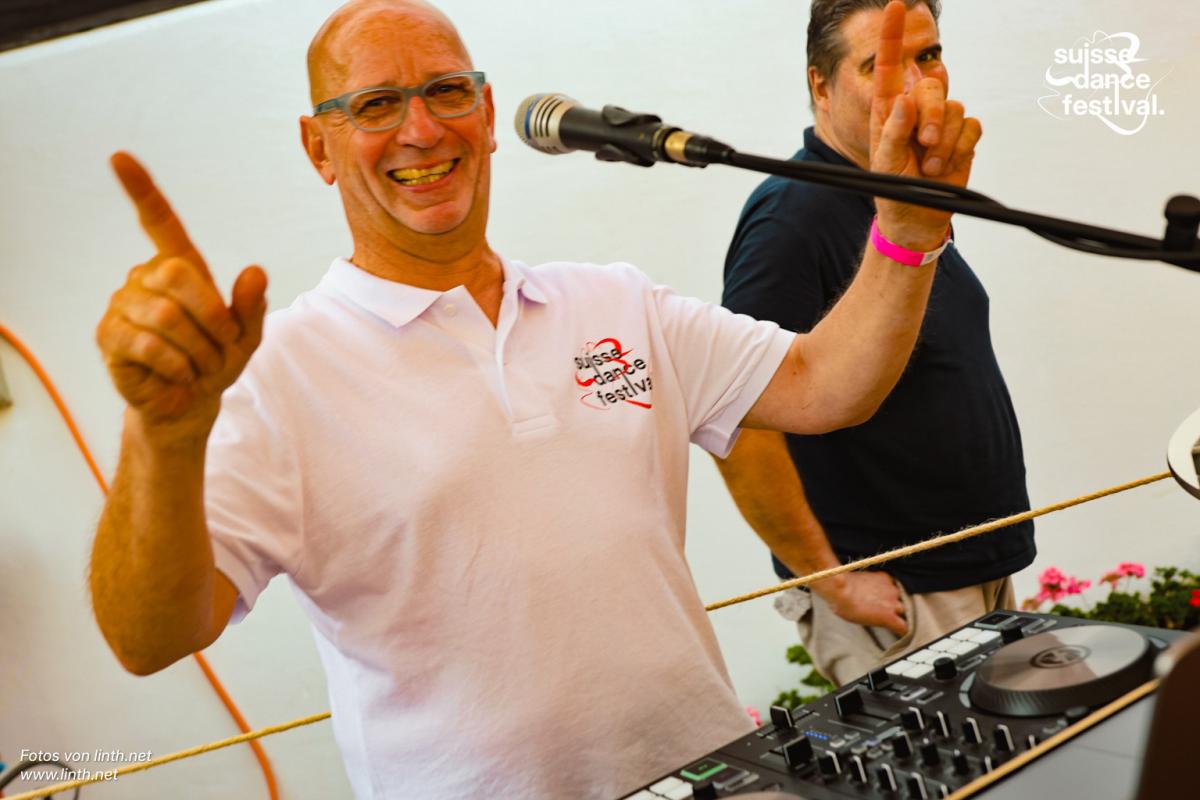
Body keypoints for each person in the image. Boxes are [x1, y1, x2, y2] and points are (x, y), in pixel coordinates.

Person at [88, 0, 981, 797]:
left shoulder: (613, 302)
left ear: (486, 116)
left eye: (446, 92)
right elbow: (149, 638)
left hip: (707, 776)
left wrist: (907, 230)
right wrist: (162, 434)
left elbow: (827, 386)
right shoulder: (277, 370)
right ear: (318, 146)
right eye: (375, 105)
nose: (420, 130)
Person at [716, 0, 1035, 688]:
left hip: (969, 575)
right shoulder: (793, 216)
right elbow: (736, 421)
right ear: (821, 85)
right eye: (879, 64)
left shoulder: (900, 197)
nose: (914, 83)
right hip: (904, 602)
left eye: (928, 55)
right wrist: (833, 582)